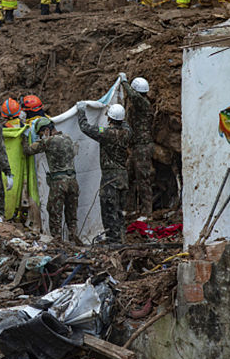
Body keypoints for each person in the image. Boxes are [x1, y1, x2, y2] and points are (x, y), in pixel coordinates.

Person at [76, 102, 131, 242]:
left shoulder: (107, 133)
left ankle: (113, 240)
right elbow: (124, 124)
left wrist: (81, 111)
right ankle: (121, 237)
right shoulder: (127, 132)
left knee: (109, 210)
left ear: (110, 119)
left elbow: (85, 128)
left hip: (110, 177)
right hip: (123, 176)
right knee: (119, 210)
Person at [22, 117, 81, 243]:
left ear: (47, 130)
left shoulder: (48, 141)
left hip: (58, 182)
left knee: (55, 213)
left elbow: (27, 151)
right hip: (73, 181)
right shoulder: (68, 138)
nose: (41, 136)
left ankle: (57, 240)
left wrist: (24, 137)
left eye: (41, 134)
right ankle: (73, 236)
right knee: (72, 214)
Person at [120, 74, 154, 216]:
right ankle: (130, 208)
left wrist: (124, 82)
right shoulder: (137, 106)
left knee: (143, 179)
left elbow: (134, 97)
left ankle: (147, 213)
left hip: (143, 147)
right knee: (129, 176)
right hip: (136, 147)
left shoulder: (143, 104)